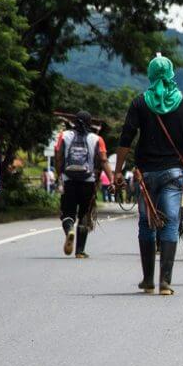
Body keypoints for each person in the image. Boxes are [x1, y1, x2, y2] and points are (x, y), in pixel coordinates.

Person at [113, 55, 183, 295]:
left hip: (146, 174)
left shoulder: (140, 103)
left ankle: (148, 280)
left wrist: (117, 171)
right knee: (171, 223)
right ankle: (166, 282)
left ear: (151, 75)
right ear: (172, 74)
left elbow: (126, 137)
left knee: (146, 223)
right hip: (174, 173)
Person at [54, 111, 110, 259]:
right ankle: (79, 251)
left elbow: (58, 157)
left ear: (75, 122)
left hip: (68, 179)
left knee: (67, 213)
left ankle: (69, 230)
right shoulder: (97, 139)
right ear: (90, 122)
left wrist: (59, 174)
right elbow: (103, 160)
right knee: (85, 215)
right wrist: (112, 179)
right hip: (88, 182)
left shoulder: (64, 136)